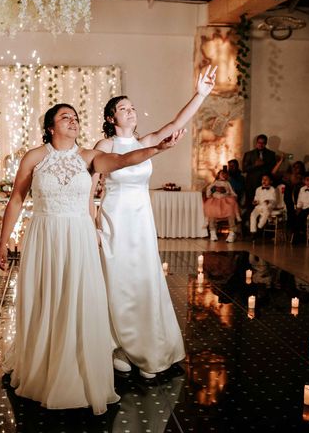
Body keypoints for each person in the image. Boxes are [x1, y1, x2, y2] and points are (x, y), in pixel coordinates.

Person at [0, 103, 186, 415]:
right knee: (47, 299)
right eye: (64, 117)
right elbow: (16, 198)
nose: (73, 121)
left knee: (77, 299)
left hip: (79, 237)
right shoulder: (34, 156)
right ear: (50, 127)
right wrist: (2, 244)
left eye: (76, 117)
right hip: (45, 236)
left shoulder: (88, 156)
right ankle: (43, 365)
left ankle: (74, 366)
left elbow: (123, 160)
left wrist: (157, 150)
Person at [91, 65, 216, 380]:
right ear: (111, 118)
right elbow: (89, 189)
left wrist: (200, 94)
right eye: (123, 109)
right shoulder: (104, 147)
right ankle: (116, 346)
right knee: (117, 281)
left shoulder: (145, 141)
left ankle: (147, 347)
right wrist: (91, 223)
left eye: (133, 108)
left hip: (141, 221)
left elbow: (176, 123)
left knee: (143, 280)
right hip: (113, 220)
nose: (131, 112)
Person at [204, 169, 240, 243]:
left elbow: (232, 193)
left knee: (231, 210)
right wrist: (214, 189)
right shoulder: (214, 183)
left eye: (225, 174)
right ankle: (213, 231)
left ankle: (232, 233)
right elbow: (208, 192)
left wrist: (225, 191)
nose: (224, 175)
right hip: (215, 201)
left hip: (225, 201)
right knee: (212, 211)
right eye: (222, 174)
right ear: (218, 175)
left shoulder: (227, 183)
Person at [242, 134, 276, 209]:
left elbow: (272, 169)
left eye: (263, 143)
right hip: (251, 183)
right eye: (259, 142)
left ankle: (264, 220)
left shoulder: (271, 154)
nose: (260, 145)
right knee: (251, 203)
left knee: (265, 204)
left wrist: (264, 164)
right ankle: (250, 219)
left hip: (266, 183)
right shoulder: (248, 154)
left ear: (266, 143)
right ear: (256, 143)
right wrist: (255, 165)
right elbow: (244, 169)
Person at [291, 172, 309, 244]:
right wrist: (298, 208)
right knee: (295, 214)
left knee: (302, 214)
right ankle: (296, 234)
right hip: (304, 208)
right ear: (304, 181)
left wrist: (302, 209)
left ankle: (300, 234)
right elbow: (300, 200)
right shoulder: (302, 189)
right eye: (307, 180)